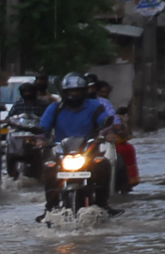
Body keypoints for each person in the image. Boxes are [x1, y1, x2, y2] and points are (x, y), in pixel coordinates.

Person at [37, 72, 116, 218]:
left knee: (103, 164)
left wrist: (108, 131)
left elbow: (104, 121)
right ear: (65, 92)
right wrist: (40, 138)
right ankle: (50, 207)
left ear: (84, 91)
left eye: (77, 91)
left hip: (88, 151)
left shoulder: (94, 106)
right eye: (71, 91)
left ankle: (103, 204)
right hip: (61, 151)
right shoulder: (54, 108)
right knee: (49, 167)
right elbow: (43, 127)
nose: (74, 94)